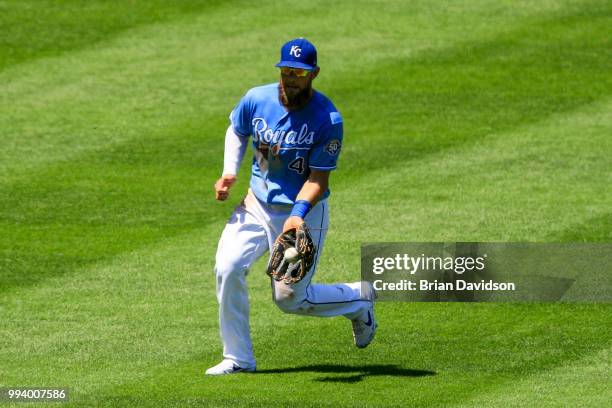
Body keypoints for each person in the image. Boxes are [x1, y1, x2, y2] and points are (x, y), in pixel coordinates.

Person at [206, 38, 377, 376]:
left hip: (304, 213)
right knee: (227, 267)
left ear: (313, 74)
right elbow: (237, 130)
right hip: (256, 205)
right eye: (286, 71)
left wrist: (296, 217)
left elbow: (318, 180)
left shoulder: (328, 119)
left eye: (299, 72)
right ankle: (238, 358)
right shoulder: (257, 98)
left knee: (290, 300)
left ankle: (358, 299)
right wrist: (229, 171)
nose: (290, 78)